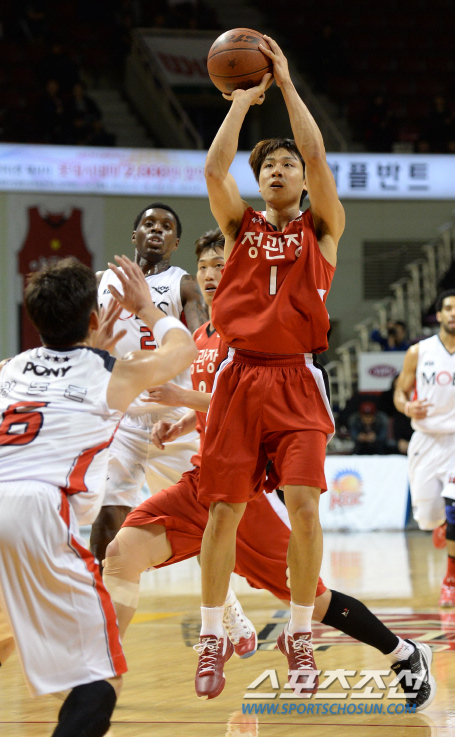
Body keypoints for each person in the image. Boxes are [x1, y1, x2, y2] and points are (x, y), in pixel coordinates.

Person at [104, 228, 435, 711]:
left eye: (221, 265)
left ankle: (403, 652)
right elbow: (217, 407)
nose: (211, 275)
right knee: (121, 554)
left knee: (314, 600)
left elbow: (243, 401)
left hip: (245, 495)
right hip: (202, 481)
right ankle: (99, 676)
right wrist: (183, 421)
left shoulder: (254, 336)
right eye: (204, 267)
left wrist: (182, 397)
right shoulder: (199, 337)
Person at [0, 256, 197, 737]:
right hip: (31, 510)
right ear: (94, 319)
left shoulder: (10, 368)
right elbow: (183, 351)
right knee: (101, 678)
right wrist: (145, 306)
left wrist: (87, 344)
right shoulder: (113, 373)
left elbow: (55, 375)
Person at [194, 35, 345, 699]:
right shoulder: (240, 228)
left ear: (303, 179)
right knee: (224, 511)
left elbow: (317, 151)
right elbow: (213, 171)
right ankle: (211, 637)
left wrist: (283, 84)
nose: (280, 170)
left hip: (295, 378)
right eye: (270, 166)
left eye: (288, 164)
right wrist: (239, 101)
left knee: (305, 508)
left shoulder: (322, 229)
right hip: (240, 376)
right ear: (259, 182)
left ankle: (301, 635)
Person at [91, 203, 208, 563]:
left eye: (166, 226)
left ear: (176, 243)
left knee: (205, 517)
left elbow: (203, 343)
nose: (157, 229)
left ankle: (223, 595)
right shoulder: (102, 282)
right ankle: (102, 588)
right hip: (125, 415)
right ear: (134, 235)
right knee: (109, 506)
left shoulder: (183, 284)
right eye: (149, 223)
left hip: (173, 416)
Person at [395, 289, 455, 608]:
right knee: (429, 517)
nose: (454, 313)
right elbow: (399, 392)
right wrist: (407, 407)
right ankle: (440, 524)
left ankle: (450, 581)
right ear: (439, 315)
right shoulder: (419, 352)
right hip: (426, 440)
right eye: (449, 308)